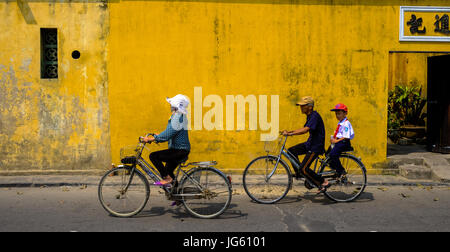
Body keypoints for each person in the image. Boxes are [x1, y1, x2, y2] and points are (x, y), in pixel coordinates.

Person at [281, 96, 328, 193]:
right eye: (300, 106)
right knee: (291, 151)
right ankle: (300, 174)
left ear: (310, 107)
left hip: (315, 146)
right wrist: (289, 132)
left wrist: (290, 134)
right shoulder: (310, 116)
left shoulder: (314, 116)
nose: (301, 107)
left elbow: (305, 130)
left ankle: (322, 182)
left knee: (303, 168)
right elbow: (304, 128)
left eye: (303, 106)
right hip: (310, 144)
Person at [142, 94, 191, 187]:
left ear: (175, 106)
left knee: (153, 156)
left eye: (171, 104)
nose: (170, 106)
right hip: (179, 149)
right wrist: (158, 136)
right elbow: (171, 131)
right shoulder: (178, 116)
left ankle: (167, 178)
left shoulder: (178, 117)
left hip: (179, 150)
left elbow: (168, 134)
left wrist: (152, 138)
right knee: (168, 170)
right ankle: (177, 196)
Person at [326, 103, 355, 179]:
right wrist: (334, 139)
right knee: (328, 154)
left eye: (339, 114)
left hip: (343, 142)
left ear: (345, 113)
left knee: (333, 154)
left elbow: (345, 136)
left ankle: (341, 170)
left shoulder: (346, 124)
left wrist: (336, 141)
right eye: (336, 114)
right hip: (339, 141)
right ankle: (335, 169)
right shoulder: (340, 122)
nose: (337, 116)